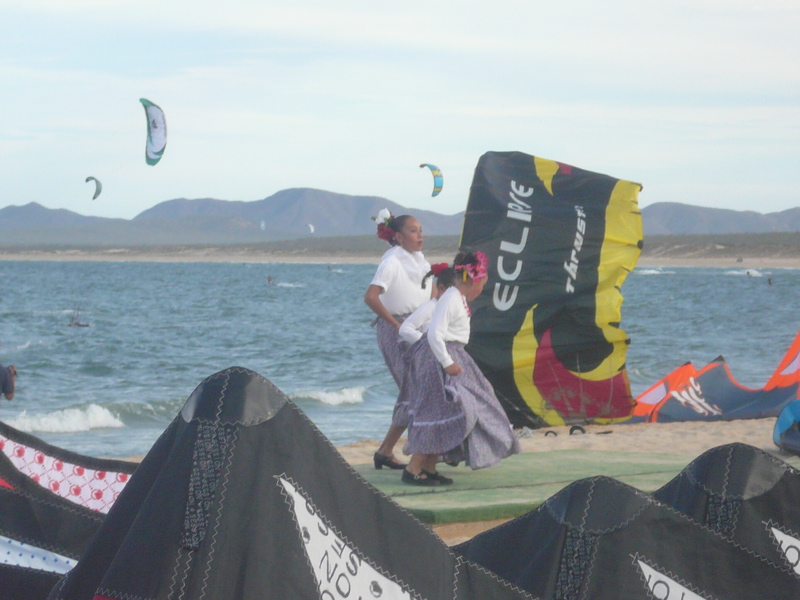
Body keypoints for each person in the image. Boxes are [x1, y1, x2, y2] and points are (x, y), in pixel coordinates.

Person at [401, 250, 520, 485]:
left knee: (447, 411)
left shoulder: (459, 298)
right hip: (441, 357)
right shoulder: (450, 298)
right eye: (482, 284)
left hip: (453, 355)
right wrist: (447, 363)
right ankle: (413, 469)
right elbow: (435, 334)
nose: (482, 289)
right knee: (441, 410)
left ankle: (429, 466)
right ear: (470, 279)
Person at [364, 209, 433, 470]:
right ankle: (414, 455)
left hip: (418, 328)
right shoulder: (392, 261)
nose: (420, 236)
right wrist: (396, 325)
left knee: (419, 388)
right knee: (413, 388)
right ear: (398, 237)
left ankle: (385, 451)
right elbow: (371, 297)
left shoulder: (421, 261)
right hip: (396, 330)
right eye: (413, 231)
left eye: (421, 231)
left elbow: (432, 292)